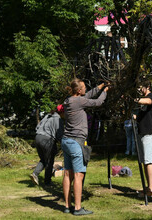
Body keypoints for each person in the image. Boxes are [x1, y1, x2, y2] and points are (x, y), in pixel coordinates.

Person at [62, 78, 109, 216]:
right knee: (78, 175)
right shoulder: (79, 101)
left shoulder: (69, 100)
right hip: (76, 142)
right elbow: (98, 102)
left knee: (67, 173)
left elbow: (87, 96)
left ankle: (66, 205)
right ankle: (77, 208)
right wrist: (105, 91)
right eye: (84, 87)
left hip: (66, 141)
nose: (85, 89)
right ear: (79, 90)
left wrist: (99, 86)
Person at [134, 80, 152, 198]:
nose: (139, 90)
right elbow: (138, 118)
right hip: (142, 133)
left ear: (147, 87)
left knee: (149, 161)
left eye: (141, 88)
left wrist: (134, 100)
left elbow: (148, 101)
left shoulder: (151, 96)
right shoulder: (142, 103)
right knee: (145, 161)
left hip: (149, 133)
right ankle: (148, 188)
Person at [30, 105, 64, 186]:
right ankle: (47, 182)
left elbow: (37, 126)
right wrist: (63, 143)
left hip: (37, 137)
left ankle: (35, 174)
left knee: (44, 159)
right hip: (47, 139)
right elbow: (59, 134)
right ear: (62, 112)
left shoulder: (47, 116)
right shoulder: (58, 119)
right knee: (49, 161)